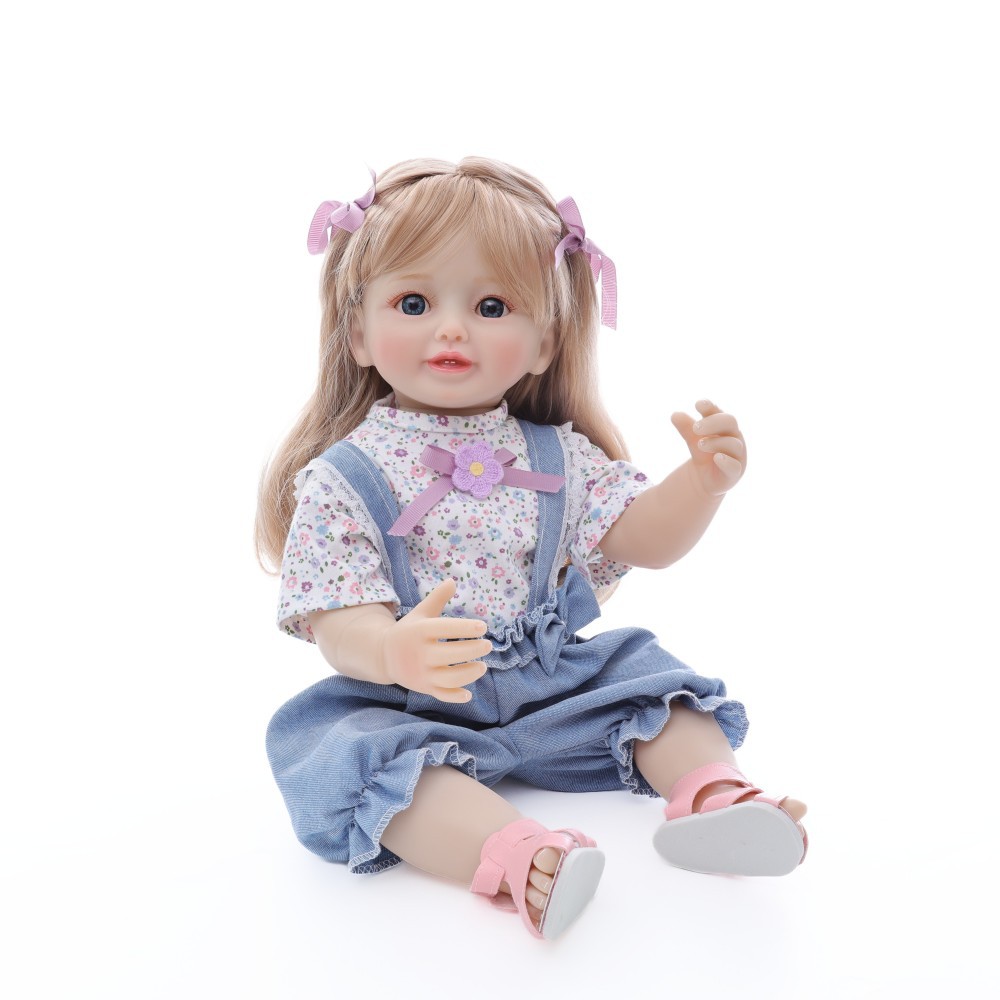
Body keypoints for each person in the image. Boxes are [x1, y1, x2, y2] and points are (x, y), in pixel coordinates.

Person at [256, 157, 807, 940]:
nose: (452, 328)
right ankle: (521, 857)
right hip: (409, 702)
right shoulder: (345, 476)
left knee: (652, 682)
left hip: (551, 683)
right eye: (413, 302)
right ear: (358, 333)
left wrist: (701, 485)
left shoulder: (556, 454)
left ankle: (716, 798)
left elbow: (640, 536)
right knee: (359, 756)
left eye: (491, 306)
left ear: (545, 343)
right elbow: (338, 615)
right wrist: (391, 649)